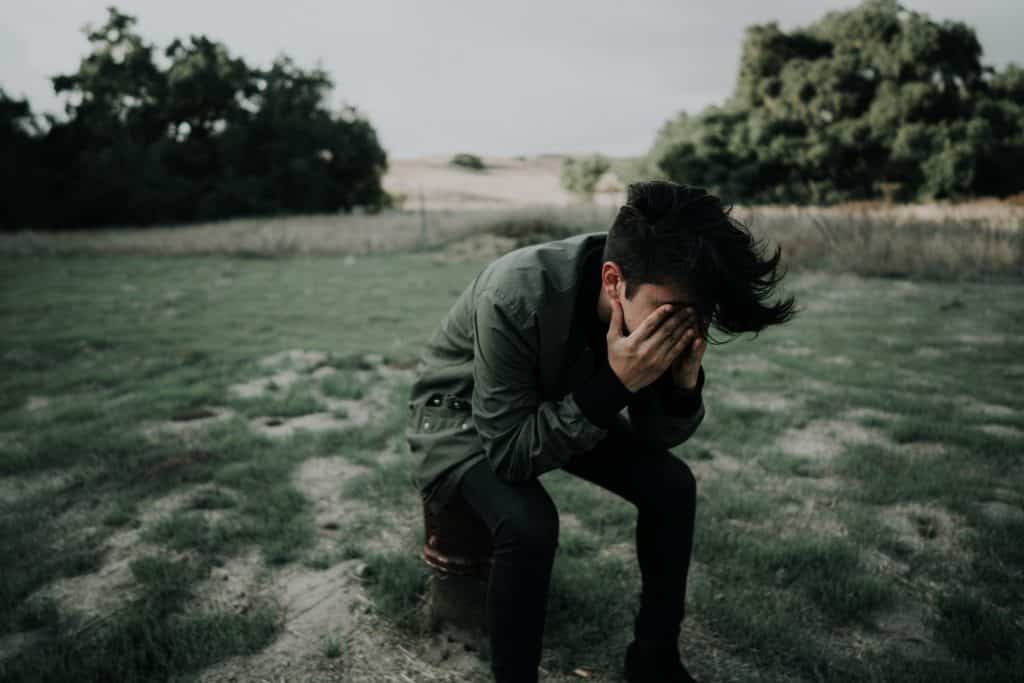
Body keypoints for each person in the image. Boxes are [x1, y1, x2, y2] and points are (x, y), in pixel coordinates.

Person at [405, 180, 797, 682]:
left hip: (560, 404)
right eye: (671, 313)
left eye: (696, 314)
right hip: (461, 418)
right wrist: (615, 384)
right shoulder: (516, 292)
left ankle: (654, 662)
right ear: (613, 282)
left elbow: (656, 438)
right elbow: (509, 454)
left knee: (672, 486)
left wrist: (680, 386)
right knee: (528, 523)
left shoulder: (657, 285)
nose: (680, 327)